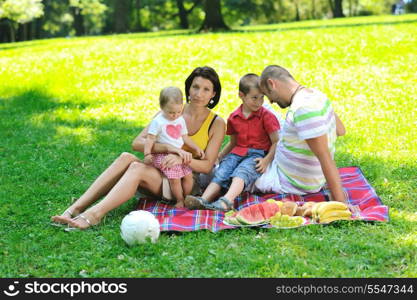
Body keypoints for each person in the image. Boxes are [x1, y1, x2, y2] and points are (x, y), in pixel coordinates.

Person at [51, 66, 225, 230]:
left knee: (136, 167)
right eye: (195, 87)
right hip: (159, 168)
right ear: (188, 88)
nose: (198, 94)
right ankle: (74, 209)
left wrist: (181, 157)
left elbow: (207, 165)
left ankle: (93, 215)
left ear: (213, 94)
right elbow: (137, 143)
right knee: (126, 157)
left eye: (206, 89)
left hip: (183, 181)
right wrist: (167, 147)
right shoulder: (171, 109)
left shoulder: (216, 123)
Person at [185, 74, 280, 211]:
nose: (259, 102)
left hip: (256, 154)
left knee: (241, 173)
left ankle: (226, 202)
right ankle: (204, 200)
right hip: (236, 153)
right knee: (222, 172)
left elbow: (276, 141)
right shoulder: (234, 118)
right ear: (241, 95)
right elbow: (233, 143)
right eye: (254, 98)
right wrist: (220, 156)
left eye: (261, 97)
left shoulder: (266, 117)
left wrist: (266, 160)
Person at [254, 65, 347, 203]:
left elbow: (325, 157)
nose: (272, 101)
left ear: (271, 84)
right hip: (297, 171)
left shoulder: (302, 109)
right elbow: (340, 130)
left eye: (268, 95)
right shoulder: (316, 95)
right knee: (265, 109)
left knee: (238, 170)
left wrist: (341, 204)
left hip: (286, 180)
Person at [144, 86, 205, 208]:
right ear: (162, 107)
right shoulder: (158, 121)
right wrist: (147, 154)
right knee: (175, 178)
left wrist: (196, 148)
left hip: (178, 154)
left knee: (188, 175)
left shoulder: (180, 120)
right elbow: (150, 138)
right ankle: (179, 200)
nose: (174, 115)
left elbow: (185, 137)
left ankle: (186, 197)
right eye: (171, 112)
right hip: (162, 155)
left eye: (178, 112)